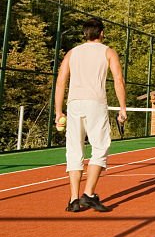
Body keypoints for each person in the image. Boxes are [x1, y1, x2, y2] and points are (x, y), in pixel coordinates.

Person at [54, 18, 128, 213]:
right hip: (95, 103)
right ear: (101, 33)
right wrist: (122, 108)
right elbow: (118, 80)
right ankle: (88, 194)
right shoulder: (108, 51)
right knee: (100, 147)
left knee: (74, 150)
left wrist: (58, 111)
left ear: (85, 34)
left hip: (74, 104)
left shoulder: (72, 53)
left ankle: (73, 199)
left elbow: (60, 82)